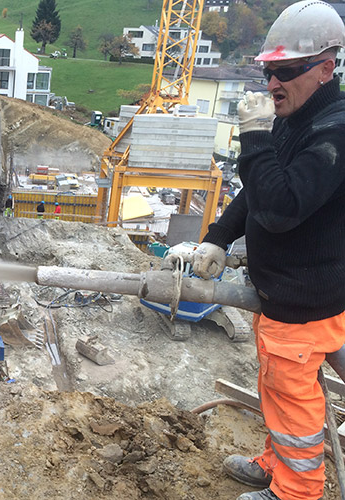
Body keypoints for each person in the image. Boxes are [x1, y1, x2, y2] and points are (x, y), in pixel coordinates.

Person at [187, 2, 345, 499]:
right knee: (278, 392)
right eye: (268, 72)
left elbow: (281, 207)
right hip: (285, 292)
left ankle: (296, 491)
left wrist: (252, 138)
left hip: (303, 301)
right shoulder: (296, 119)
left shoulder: (333, 134)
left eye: (286, 72)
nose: (273, 84)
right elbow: (258, 190)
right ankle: (278, 464)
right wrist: (218, 235)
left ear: (325, 68)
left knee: (294, 401)